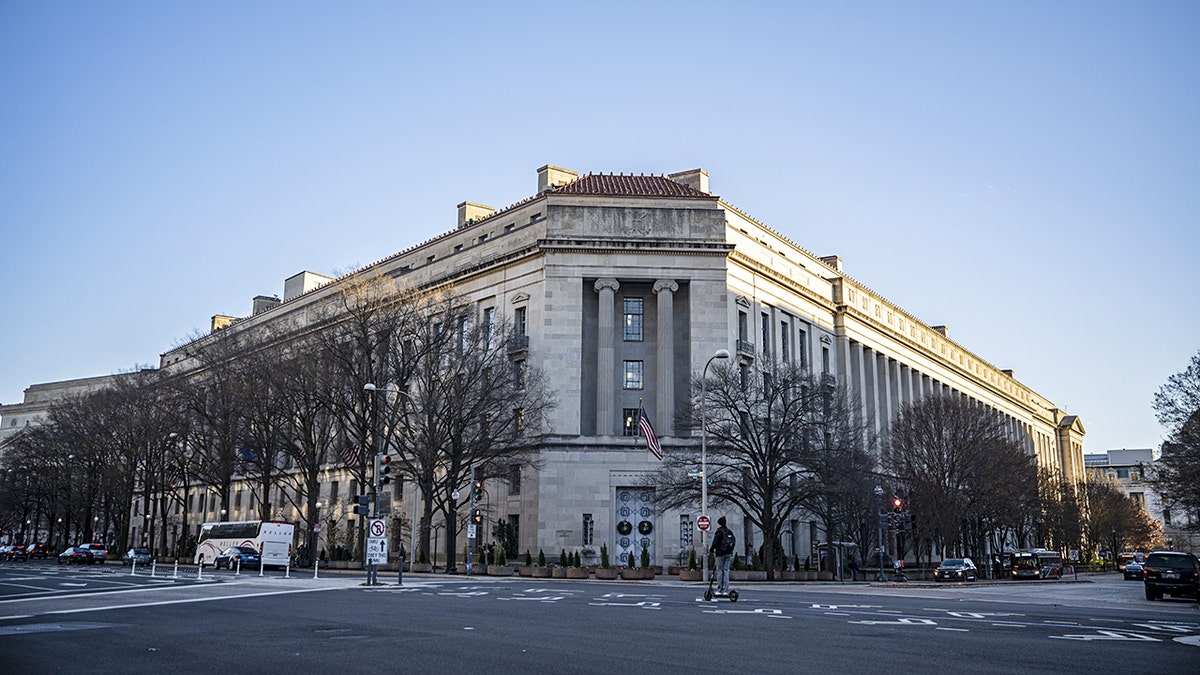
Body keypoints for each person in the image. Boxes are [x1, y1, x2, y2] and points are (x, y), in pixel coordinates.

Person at [710, 516, 736, 596]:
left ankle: (720, 589)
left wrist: (711, 549)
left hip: (720, 553)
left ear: (719, 524)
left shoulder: (719, 532)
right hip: (728, 553)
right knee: (726, 570)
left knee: (720, 571)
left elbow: (715, 542)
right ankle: (726, 589)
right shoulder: (729, 532)